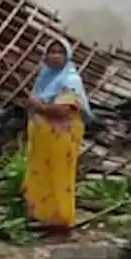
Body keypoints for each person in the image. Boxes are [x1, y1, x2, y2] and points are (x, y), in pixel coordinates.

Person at [24, 38, 93, 232]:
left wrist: (39, 106)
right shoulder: (43, 78)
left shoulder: (70, 79)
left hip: (62, 137)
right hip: (43, 138)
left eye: (60, 52)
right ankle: (42, 214)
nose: (55, 56)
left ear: (67, 56)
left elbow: (63, 109)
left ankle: (61, 218)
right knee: (41, 173)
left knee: (60, 175)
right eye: (51, 52)